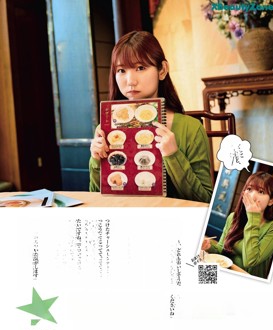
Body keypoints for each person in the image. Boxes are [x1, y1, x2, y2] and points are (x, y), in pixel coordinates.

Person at [89, 30, 212, 202]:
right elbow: (97, 199)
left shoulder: (190, 128)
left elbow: (205, 201)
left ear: (162, 70)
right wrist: (96, 160)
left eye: (140, 68)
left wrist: (173, 155)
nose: (130, 80)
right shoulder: (106, 130)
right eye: (121, 70)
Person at [202, 171, 273, 279]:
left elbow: (250, 261)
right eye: (249, 189)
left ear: (271, 200)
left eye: (261, 192)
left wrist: (253, 217)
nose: (253, 196)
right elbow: (221, 250)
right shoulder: (233, 217)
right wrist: (209, 246)